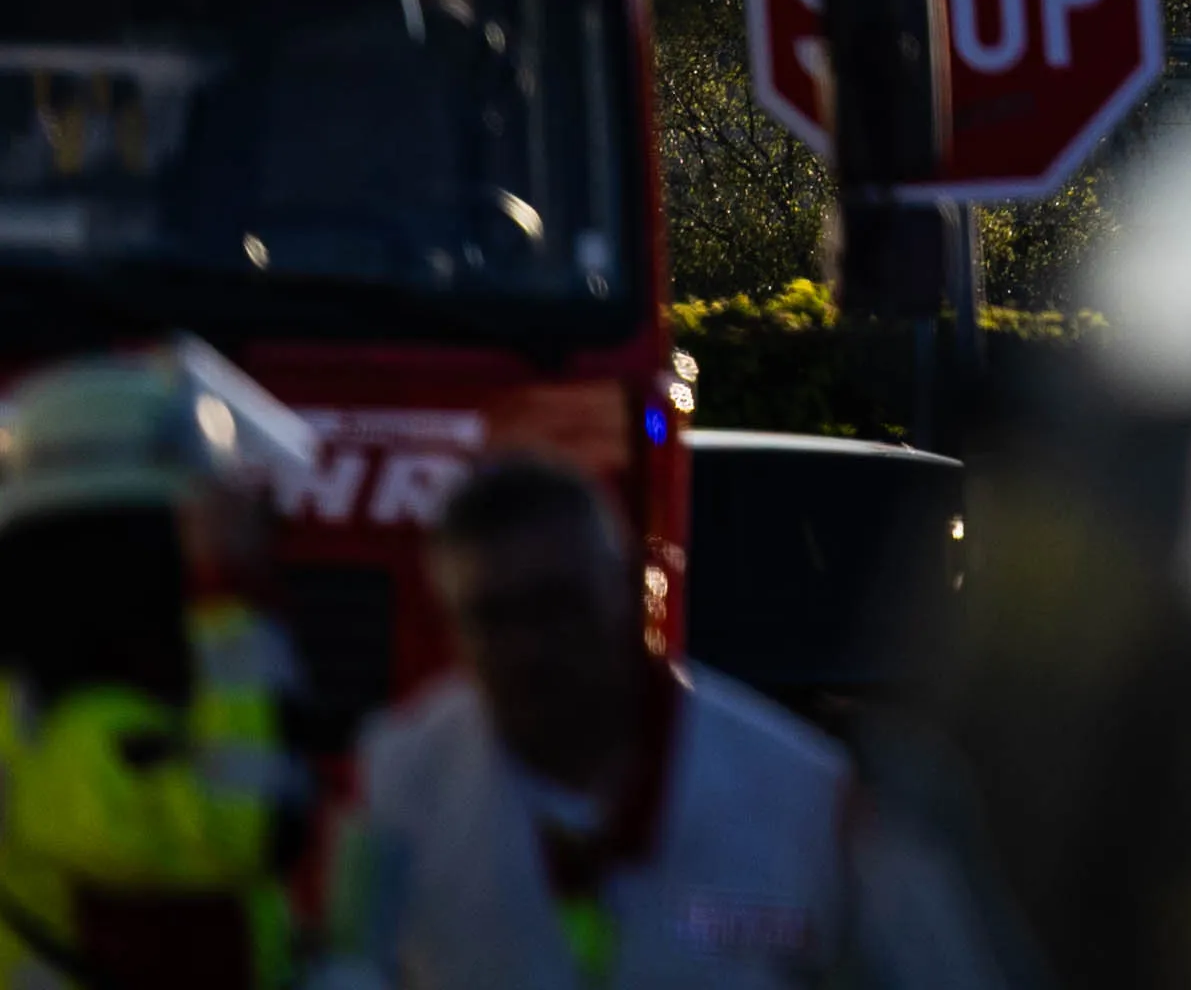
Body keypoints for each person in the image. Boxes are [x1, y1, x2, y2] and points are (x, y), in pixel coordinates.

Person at [318, 459, 983, 990]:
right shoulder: (394, 783)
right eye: (494, 616)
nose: (529, 646)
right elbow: (343, 966)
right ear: (453, 628)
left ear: (633, 587)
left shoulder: (807, 797)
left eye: (557, 604)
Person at [0, 342, 321, 990]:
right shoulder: (62, 729)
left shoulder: (83, 702)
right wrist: (231, 601)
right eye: (188, 540)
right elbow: (252, 824)